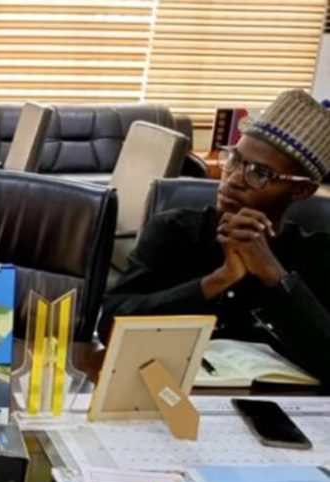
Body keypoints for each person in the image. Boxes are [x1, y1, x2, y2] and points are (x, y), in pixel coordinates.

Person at [99, 89, 330, 383]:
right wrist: (218, 280)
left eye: (260, 174)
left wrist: (275, 276)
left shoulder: (317, 253)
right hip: (170, 391)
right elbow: (110, 325)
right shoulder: (175, 230)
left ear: (301, 190)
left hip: (279, 401)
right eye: (234, 159)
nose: (233, 179)